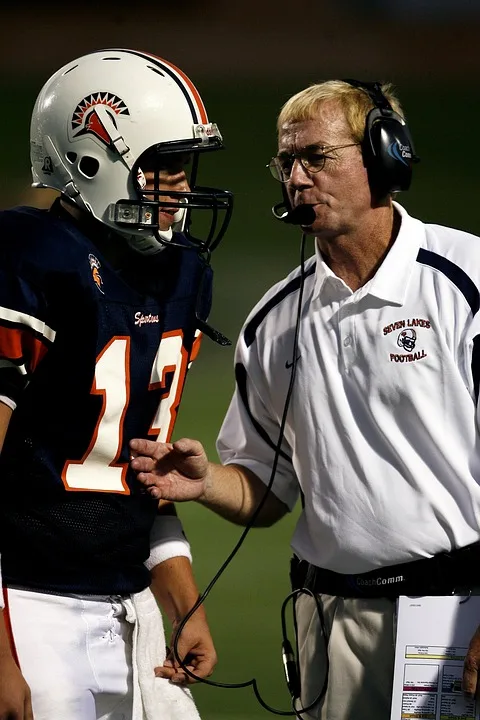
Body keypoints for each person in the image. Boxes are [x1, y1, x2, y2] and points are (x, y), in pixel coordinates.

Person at [130, 78, 480, 720]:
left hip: (455, 614)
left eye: (316, 157)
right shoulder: (272, 321)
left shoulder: (468, 281)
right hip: (328, 623)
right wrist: (208, 483)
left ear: (383, 156)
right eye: (285, 161)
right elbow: (269, 492)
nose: (294, 176)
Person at [0, 48, 233, 720]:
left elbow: (135, 467)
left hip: (133, 607)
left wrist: (181, 598)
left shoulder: (182, 275)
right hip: (30, 607)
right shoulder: (32, 262)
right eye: (162, 164)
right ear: (93, 162)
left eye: (186, 166)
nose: (182, 186)